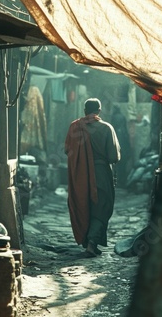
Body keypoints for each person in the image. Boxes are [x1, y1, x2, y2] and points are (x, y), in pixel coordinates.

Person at [64, 98, 121, 257]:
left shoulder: (75, 127)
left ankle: (88, 241)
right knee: (101, 208)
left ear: (84, 110)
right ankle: (91, 243)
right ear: (99, 111)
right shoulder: (106, 128)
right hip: (101, 173)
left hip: (80, 175)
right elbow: (113, 157)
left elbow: (67, 151)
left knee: (84, 206)